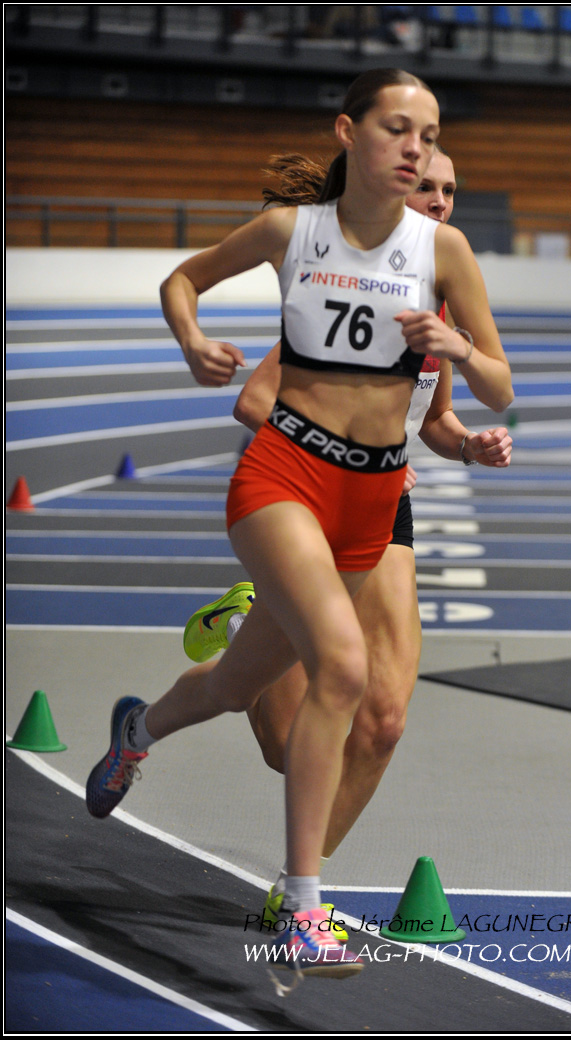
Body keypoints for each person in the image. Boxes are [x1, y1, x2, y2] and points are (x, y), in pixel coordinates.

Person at [85, 68, 513, 991]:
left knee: (239, 688)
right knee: (344, 669)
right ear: (348, 132)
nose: (417, 151)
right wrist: (192, 342)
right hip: (285, 475)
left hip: (374, 498)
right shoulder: (294, 231)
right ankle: (302, 911)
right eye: (397, 129)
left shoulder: (445, 255)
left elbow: (498, 385)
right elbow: (182, 280)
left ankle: (139, 730)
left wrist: (459, 356)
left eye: (430, 135)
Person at [181, 147, 513, 941]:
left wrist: (466, 446)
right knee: (287, 745)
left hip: (384, 506)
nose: (439, 201)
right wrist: (341, 448)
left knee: (383, 720)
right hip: (307, 493)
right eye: (424, 186)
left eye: (449, 190)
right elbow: (254, 402)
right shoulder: (349, 285)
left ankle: (293, 891)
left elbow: (434, 418)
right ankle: (248, 631)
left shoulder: (444, 299)